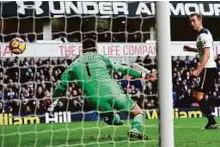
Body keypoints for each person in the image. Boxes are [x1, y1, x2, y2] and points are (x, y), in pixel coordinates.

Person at [50, 38, 156, 140]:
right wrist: (143, 75)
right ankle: (135, 132)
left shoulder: (73, 65)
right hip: (113, 93)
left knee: (110, 117)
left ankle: (114, 119)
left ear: (82, 50)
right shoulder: (101, 57)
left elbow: (61, 86)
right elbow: (122, 68)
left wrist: (53, 100)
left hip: (94, 100)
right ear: (96, 48)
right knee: (138, 112)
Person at [183, 13, 219, 129]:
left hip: (207, 69)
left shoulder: (204, 35)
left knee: (198, 96)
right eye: (190, 21)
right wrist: (191, 49)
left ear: (200, 20)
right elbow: (203, 51)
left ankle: (212, 121)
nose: (192, 23)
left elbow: (207, 54)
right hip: (207, 69)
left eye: (194, 21)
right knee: (198, 95)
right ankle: (211, 121)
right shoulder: (201, 34)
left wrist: (198, 70)